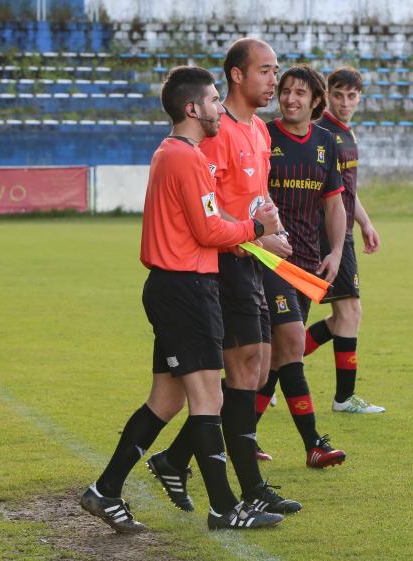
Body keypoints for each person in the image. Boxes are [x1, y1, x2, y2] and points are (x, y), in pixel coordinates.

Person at [80, 66, 285, 532]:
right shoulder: (186, 158)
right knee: (208, 396)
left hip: (176, 287)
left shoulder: (174, 154)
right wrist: (259, 229)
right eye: (213, 100)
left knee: (165, 401)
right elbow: (209, 229)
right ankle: (224, 507)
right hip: (187, 288)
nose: (218, 108)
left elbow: (206, 221)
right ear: (193, 108)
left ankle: (105, 490)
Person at [144, 39, 301, 516]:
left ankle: (179, 461)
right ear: (237, 75)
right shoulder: (212, 135)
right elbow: (209, 214)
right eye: (266, 71)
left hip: (252, 257)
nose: (275, 80)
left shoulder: (259, 130)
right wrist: (257, 235)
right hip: (224, 261)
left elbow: (255, 195)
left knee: (254, 368)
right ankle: (244, 489)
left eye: (276, 71)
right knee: (236, 375)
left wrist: (273, 223)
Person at [253, 64, 349, 468]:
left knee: (276, 360)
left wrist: (337, 251)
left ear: (315, 101)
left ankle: (233, 436)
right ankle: (314, 443)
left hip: (309, 263)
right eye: (285, 91)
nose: (290, 98)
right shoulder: (262, 135)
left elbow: (333, 203)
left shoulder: (327, 142)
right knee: (292, 343)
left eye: (299, 93)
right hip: (269, 259)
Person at [304, 66, 385, 414]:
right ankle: (343, 398)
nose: (345, 102)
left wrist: (365, 223)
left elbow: (346, 190)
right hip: (325, 232)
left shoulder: (347, 134)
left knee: (342, 319)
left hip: (344, 231)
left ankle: (270, 372)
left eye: (352, 96)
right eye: (338, 95)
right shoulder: (320, 132)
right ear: (327, 96)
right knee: (349, 313)